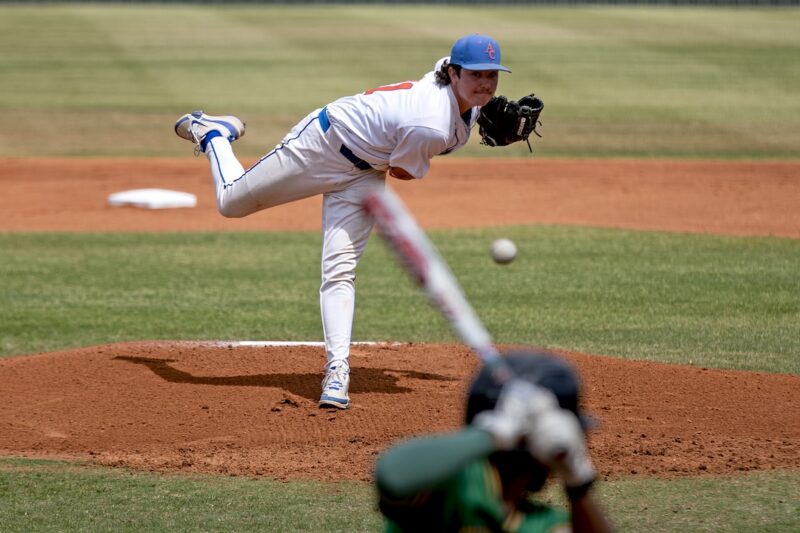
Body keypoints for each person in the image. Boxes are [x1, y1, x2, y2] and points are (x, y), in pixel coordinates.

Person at [174, 34, 513, 409]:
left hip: (364, 174)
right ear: (453, 73)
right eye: (476, 75)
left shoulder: (452, 89)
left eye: (492, 76)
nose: (485, 84)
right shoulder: (429, 125)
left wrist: (474, 110)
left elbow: (438, 90)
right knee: (230, 202)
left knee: (340, 270)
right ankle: (213, 133)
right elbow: (402, 170)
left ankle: (337, 372)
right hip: (321, 146)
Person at [375, 350, 614, 532]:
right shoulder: (455, 486)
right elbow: (393, 476)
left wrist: (577, 482)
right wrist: (496, 432)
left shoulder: (543, 524)